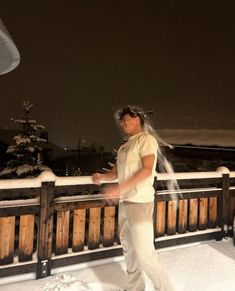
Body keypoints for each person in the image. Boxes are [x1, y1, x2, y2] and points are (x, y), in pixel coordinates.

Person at [92, 105, 175, 291]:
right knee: (129, 251)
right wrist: (102, 178)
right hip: (125, 203)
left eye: (126, 119)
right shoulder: (124, 146)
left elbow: (146, 170)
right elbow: (116, 172)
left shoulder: (146, 140)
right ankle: (134, 288)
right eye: (121, 121)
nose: (122, 123)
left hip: (140, 203)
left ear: (137, 119)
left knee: (145, 254)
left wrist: (119, 188)